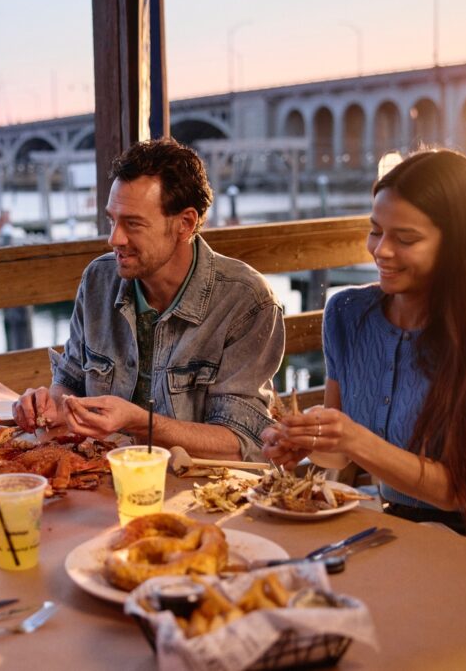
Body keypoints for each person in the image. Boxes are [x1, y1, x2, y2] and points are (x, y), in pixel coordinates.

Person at [262, 149, 466, 548]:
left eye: (405, 238)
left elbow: (454, 490)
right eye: (376, 230)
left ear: (457, 245)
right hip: (398, 523)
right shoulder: (346, 313)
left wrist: (353, 438)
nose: (381, 250)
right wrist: (308, 443)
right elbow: (341, 456)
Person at [14, 138, 285, 461]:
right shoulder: (98, 279)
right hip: (106, 476)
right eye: (112, 220)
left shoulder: (247, 300)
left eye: (133, 224)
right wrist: (51, 404)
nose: (114, 238)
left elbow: (242, 441)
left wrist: (142, 424)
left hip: (204, 491)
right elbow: (71, 381)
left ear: (184, 224)